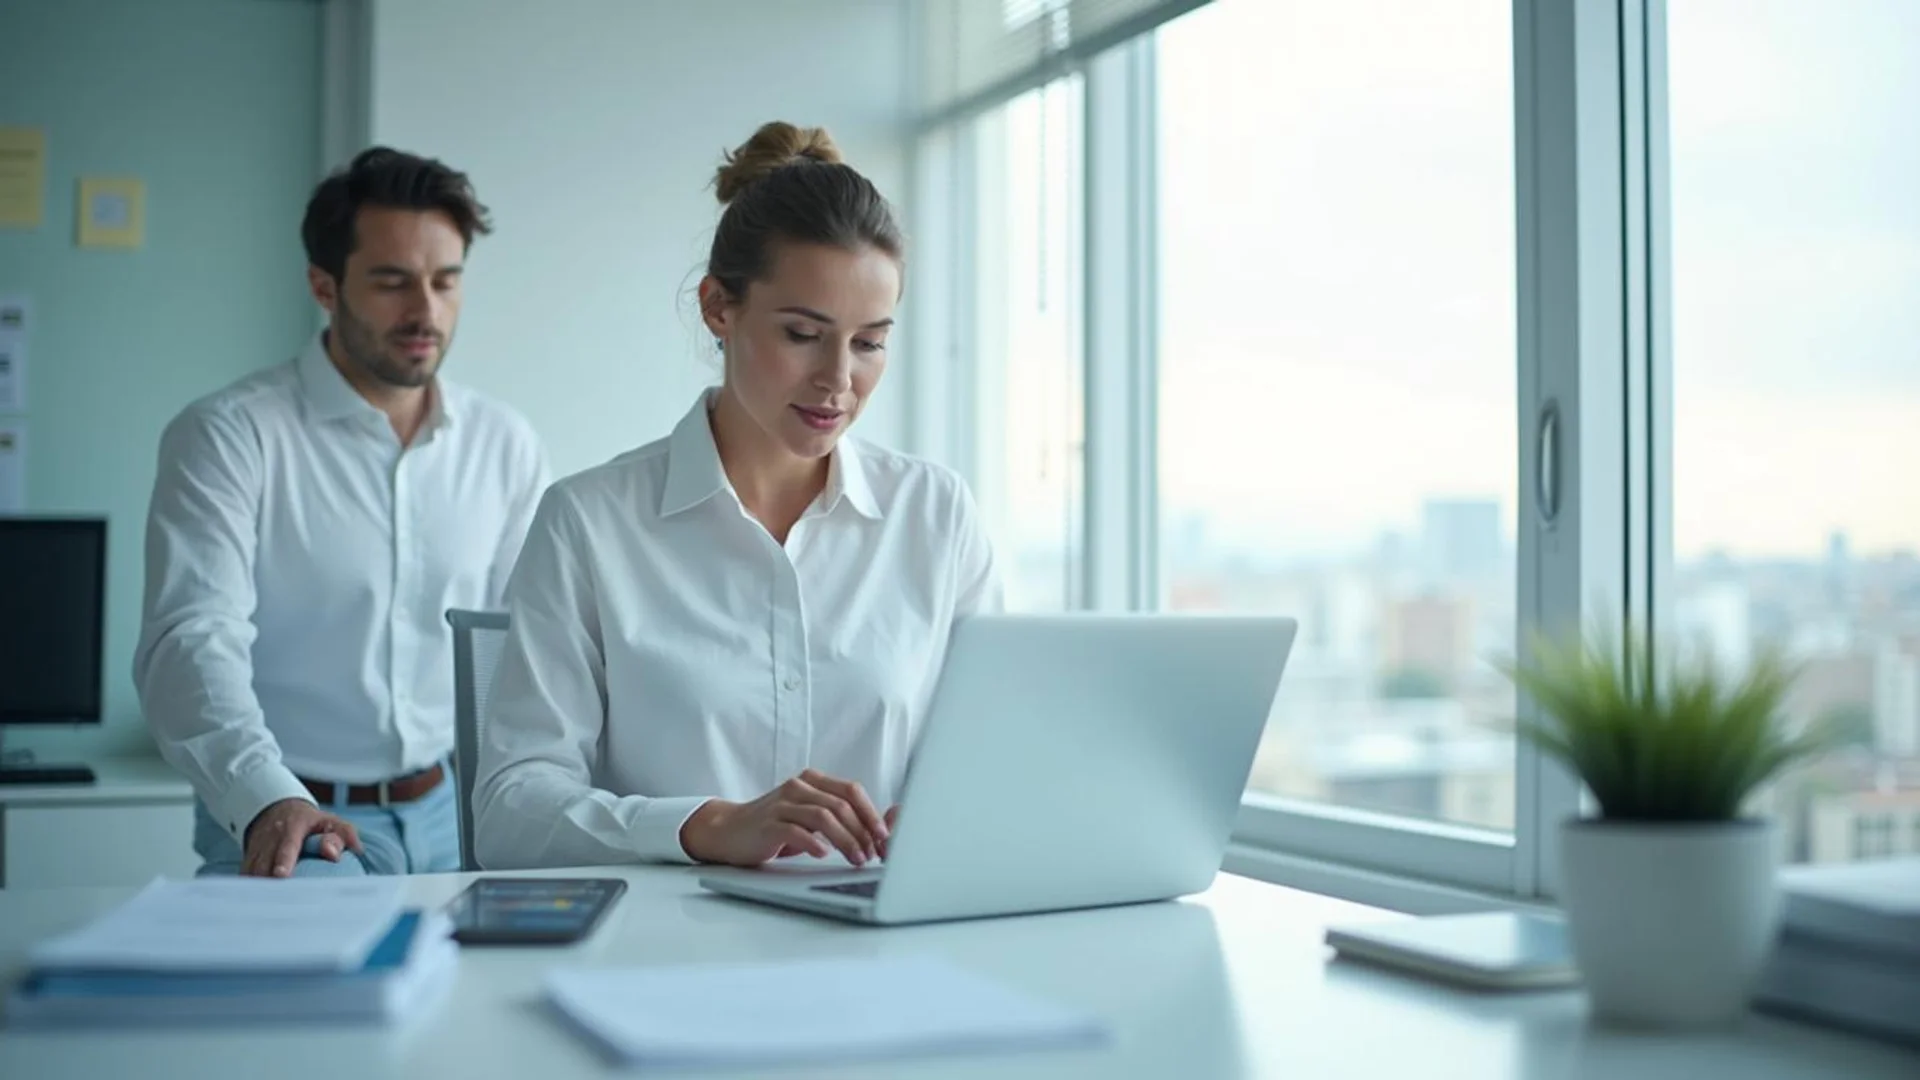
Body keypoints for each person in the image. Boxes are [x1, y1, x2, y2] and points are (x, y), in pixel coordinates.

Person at [474, 121, 1001, 871]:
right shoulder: (588, 523)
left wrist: (956, 815)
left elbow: (994, 757)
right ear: (719, 307)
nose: (839, 380)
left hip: (883, 949)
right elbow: (509, 811)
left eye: (870, 341)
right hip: (666, 953)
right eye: (802, 333)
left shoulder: (936, 516)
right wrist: (703, 827)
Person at [135, 147, 549, 878]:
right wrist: (266, 798)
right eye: (392, 283)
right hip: (297, 819)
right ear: (324, 286)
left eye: (445, 282)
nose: (426, 312)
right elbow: (191, 641)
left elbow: (525, 648)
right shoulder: (230, 435)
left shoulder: (503, 443)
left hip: (459, 811)